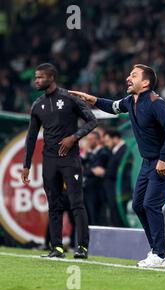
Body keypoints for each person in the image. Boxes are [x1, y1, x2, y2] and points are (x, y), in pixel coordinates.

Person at [69, 64, 165, 268]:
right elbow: (112, 106)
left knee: (151, 205)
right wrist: (90, 98)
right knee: (138, 205)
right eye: (129, 74)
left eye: (134, 75)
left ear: (145, 82)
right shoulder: (130, 101)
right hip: (149, 162)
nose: (128, 78)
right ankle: (159, 250)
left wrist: (164, 159)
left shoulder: (157, 103)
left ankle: (159, 253)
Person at [22, 63, 97, 259]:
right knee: (54, 204)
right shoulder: (37, 105)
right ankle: (57, 248)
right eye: (35, 77)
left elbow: (92, 120)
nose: (36, 80)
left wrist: (74, 137)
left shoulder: (70, 98)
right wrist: (26, 165)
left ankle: (82, 247)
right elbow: (31, 137)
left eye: (39, 77)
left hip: (70, 159)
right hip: (49, 161)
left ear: (51, 77)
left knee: (76, 202)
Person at [103, 129, 132, 227]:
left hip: (120, 192)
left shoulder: (125, 152)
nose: (106, 145)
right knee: (114, 219)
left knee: (119, 220)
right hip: (113, 192)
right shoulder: (114, 152)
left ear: (115, 138)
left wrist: (104, 173)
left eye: (107, 141)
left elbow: (120, 172)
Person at [82, 130, 110, 226]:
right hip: (88, 190)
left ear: (97, 140)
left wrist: (87, 171)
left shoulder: (103, 153)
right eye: (87, 140)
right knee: (88, 217)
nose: (88, 142)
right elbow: (90, 170)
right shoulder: (89, 154)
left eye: (90, 140)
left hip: (97, 190)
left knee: (97, 217)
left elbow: (98, 171)